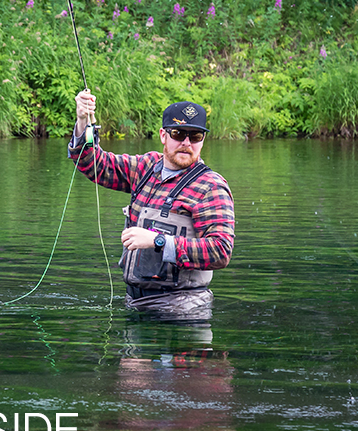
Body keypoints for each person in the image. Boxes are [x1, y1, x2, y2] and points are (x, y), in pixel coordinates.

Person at [69, 90, 235, 312]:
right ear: (163, 135)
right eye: (178, 133)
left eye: (195, 136)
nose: (186, 142)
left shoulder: (211, 186)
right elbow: (92, 163)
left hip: (184, 310)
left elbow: (220, 251)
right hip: (135, 302)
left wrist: (159, 241)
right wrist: (82, 121)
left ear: (202, 141)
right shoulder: (145, 167)